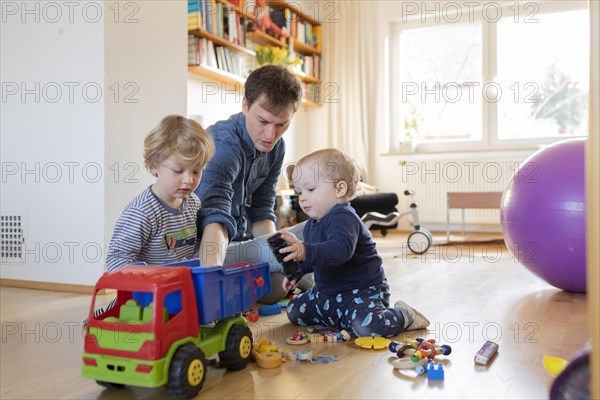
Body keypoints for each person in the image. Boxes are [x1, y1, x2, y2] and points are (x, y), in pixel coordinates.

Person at [277, 148, 430, 337]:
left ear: (339, 189)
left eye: (310, 189)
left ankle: (403, 315)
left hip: (362, 293)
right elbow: (318, 258)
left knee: (368, 328)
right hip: (327, 294)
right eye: (299, 192)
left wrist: (305, 250)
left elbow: (339, 251)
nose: (302, 198)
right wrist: (297, 271)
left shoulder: (344, 217)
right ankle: (340, 317)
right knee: (294, 312)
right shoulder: (311, 225)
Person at [194, 64, 311, 304]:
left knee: (279, 284)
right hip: (205, 253)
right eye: (263, 121)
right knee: (314, 229)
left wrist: (279, 260)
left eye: (282, 125)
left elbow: (261, 209)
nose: (271, 134)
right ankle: (334, 293)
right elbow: (214, 219)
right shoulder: (223, 147)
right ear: (245, 105)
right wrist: (211, 288)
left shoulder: (276, 147)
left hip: (241, 246)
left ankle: (320, 290)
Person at [89, 115, 214, 321]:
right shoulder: (142, 212)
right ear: (154, 166)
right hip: (146, 294)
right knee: (125, 315)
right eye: (178, 170)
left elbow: (197, 246)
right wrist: (149, 276)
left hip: (178, 291)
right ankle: (98, 319)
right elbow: (116, 259)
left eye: (196, 171)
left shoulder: (193, 203)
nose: (188, 179)